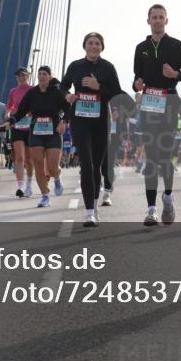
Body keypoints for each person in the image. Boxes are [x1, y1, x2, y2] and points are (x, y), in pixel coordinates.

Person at [132, 4, 181, 226]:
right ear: (148, 20)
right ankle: (151, 210)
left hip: (169, 103)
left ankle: (168, 197)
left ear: (166, 21)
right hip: (149, 104)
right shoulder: (141, 48)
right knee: (151, 158)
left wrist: (175, 74)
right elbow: (137, 79)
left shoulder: (177, 46)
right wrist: (136, 84)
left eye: (161, 17)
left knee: (166, 157)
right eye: (154, 17)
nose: (157, 20)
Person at [61, 32, 124, 227]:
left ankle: (95, 207)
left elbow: (116, 94)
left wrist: (98, 87)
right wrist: (67, 97)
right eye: (90, 43)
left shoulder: (108, 67)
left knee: (96, 165)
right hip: (80, 120)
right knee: (86, 164)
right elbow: (62, 87)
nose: (94, 46)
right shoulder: (75, 66)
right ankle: (88, 212)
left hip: (100, 121)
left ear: (101, 47)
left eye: (97, 43)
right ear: (85, 46)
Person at [9, 65, 70, 208]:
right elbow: (21, 111)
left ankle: (57, 177)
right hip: (36, 133)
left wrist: (64, 121)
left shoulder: (56, 92)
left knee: (52, 167)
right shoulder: (32, 93)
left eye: (44, 74)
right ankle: (45, 196)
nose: (42, 76)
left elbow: (69, 109)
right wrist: (11, 120)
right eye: (40, 74)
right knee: (38, 166)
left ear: (49, 77)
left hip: (53, 134)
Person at [7, 68, 35, 198]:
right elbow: (10, 106)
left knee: (29, 159)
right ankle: (20, 186)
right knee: (19, 158)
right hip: (17, 126)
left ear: (28, 76)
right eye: (19, 76)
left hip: (30, 127)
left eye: (24, 75)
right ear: (16, 78)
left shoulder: (33, 90)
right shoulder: (13, 91)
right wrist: (9, 113)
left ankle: (29, 184)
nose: (21, 78)